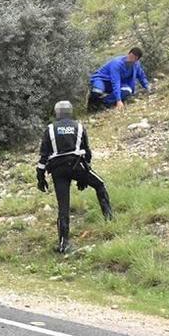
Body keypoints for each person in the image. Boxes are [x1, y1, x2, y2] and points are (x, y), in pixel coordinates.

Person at [37, 101, 113, 254]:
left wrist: (40, 177)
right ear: (70, 112)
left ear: (56, 113)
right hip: (77, 165)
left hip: (58, 170)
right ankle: (110, 221)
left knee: (63, 207)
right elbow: (87, 152)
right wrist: (83, 178)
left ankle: (63, 243)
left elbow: (43, 156)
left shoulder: (50, 129)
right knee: (100, 185)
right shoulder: (79, 126)